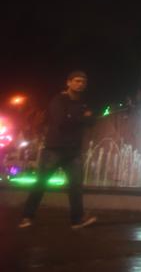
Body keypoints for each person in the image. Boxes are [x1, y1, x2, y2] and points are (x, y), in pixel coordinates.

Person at [19, 71, 97, 229]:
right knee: (41, 184)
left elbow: (91, 121)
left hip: (73, 151)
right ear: (68, 82)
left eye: (83, 82)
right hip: (54, 149)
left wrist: (79, 117)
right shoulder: (59, 99)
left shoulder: (83, 102)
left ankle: (77, 220)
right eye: (77, 81)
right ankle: (27, 217)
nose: (80, 84)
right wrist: (82, 117)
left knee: (76, 186)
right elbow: (62, 121)